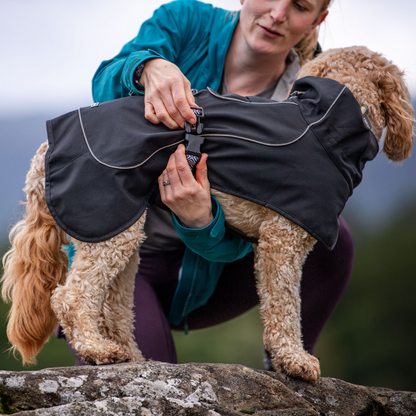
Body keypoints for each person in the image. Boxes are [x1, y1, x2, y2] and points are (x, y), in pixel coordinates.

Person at [65, 0, 354, 366]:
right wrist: (146, 67)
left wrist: (201, 221)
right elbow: (103, 90)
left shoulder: (310, 96)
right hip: (127, 254)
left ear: (318, 19)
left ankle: (287, 364)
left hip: (214, 273)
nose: (278, 15)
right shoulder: (185, 19)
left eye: (299, 5)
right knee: (145, 385)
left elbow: (265, 230)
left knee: (329, 232)